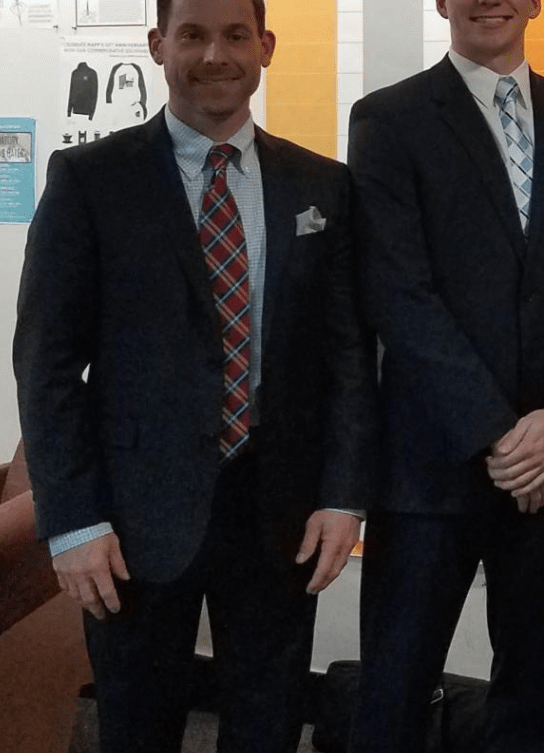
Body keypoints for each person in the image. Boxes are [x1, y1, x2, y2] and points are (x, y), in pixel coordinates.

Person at [12, 0, 378, 749]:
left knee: (269, 723)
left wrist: (344, 496)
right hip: (131, 523)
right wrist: (72, 521)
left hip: (281, 515)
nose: (216, 53)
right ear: (158, 46)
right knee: (137, 727)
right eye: (194, 35)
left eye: (235, 35)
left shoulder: (323, 187)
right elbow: (46, 362)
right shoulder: (90, 178)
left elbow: (347, 356)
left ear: (265, 47)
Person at [344, 0, 544, 750]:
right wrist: (504, 437)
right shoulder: (389, 120)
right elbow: (398, 293)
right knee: (395, 687)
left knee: (534, 694)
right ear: (440, 4)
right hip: (432, 465)